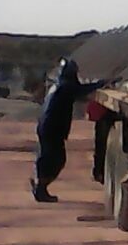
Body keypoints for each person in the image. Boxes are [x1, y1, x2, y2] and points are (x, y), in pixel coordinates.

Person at [31, 58, 107, 203]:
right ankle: (40, 188)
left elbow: (79, 92)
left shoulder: (59, 85)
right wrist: (102, 83)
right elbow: (82, 90)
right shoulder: (65, 87)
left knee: (49, 157)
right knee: (55, 159)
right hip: (52, 128)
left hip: (48, 127)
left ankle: (40, 186)